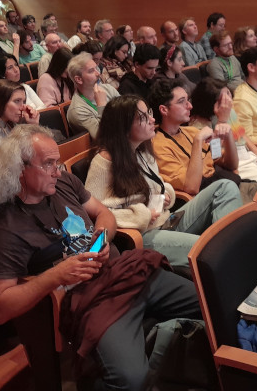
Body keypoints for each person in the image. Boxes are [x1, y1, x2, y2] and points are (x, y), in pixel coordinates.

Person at [0, 124, 201, 391]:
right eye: (48, 164)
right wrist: (57, 275)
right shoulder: (9, 228)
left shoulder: (64, 184)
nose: (57, 171)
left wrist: (103, 236)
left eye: (57, 162)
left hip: (122, 273)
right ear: (19, 169)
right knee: (128, 382)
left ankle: (157, 347)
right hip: (89, 300)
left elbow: (104, 214)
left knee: (207, 304)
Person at [85, 95, 241, 269]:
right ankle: (230, 253)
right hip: (143, 235)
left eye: (149, 113)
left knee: (225, 187)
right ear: (125, 127)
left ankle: (231, 246)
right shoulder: (103, 161)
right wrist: (141, 215)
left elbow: (156, 183)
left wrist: (165, 193)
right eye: (144, 117)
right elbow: (93, 215)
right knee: (210, 248)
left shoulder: (142, 149)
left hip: (166, 220)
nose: (152, 120)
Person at [147, 79, 246, 198]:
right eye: (181, 102)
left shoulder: (191, 131)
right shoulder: (158, 145)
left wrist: (228, 132)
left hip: (226, 184)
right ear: (164, 110)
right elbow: (192, 187)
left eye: (188, 100)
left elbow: (231, 165)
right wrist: (198, 141)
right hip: (212, 196)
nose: (190, 106)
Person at [190, 77, 257, 183]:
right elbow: (215, 157)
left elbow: (241, 134)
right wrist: (222, 120)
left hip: (248, 155)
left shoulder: (230, 111)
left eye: (228, 94)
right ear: (209, 103)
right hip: (236, 166)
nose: (229, 101)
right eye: (223, 100)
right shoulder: (199, 126)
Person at [66, 52, 120, 138]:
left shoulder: (108, 88)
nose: (98, 73)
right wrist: (101, 105)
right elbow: (104, 138)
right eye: (91, 71)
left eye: (96, 68)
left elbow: (127, 113)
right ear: (79, 79)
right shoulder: (78, 110)